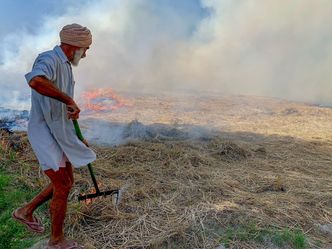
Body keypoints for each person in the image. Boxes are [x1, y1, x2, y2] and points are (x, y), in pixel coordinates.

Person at [11, 23, 96, 249]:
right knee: (62, 184)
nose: (86, 54)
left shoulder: (66, 66)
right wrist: (68, 100)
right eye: (85, 49)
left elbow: (59, 111)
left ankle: (25, 211)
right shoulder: (48, 59)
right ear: (74, 46)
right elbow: (36, 80)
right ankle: (56, 241)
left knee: (67, 182)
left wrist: (76, 139)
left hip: (59, 133)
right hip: (44, 133)